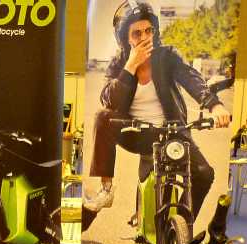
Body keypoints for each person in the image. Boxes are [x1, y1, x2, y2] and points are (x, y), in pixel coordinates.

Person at [84, 1, 230, 216]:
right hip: (134, 132)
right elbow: (109, 100)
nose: (144, 37)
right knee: (102, 116)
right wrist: (130, 66)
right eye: (136, 33)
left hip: (171, 131)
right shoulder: (119, 63)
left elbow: (190, 78)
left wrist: (214, 105)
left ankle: (180, 224)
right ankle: (106, 190)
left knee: (204, 174)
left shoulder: (167, 56)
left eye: (148, 30)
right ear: (125, 38)